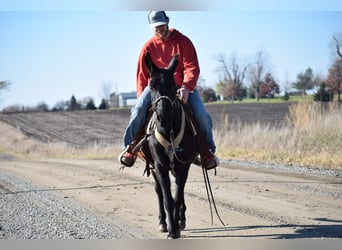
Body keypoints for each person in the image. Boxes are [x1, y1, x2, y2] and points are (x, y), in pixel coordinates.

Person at [118, 11, 219, 170]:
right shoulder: (148, 47)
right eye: (156, 27)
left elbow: (191, 68)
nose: (159, 30)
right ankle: (130, 148)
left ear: (168, 22)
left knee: (200, 114)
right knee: (138, 110)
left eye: (162, 26)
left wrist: (186, 87)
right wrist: (142, 97)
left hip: (181, 86)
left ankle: (207, 152)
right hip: (157, 89)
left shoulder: (183, 42)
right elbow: (141, 75)